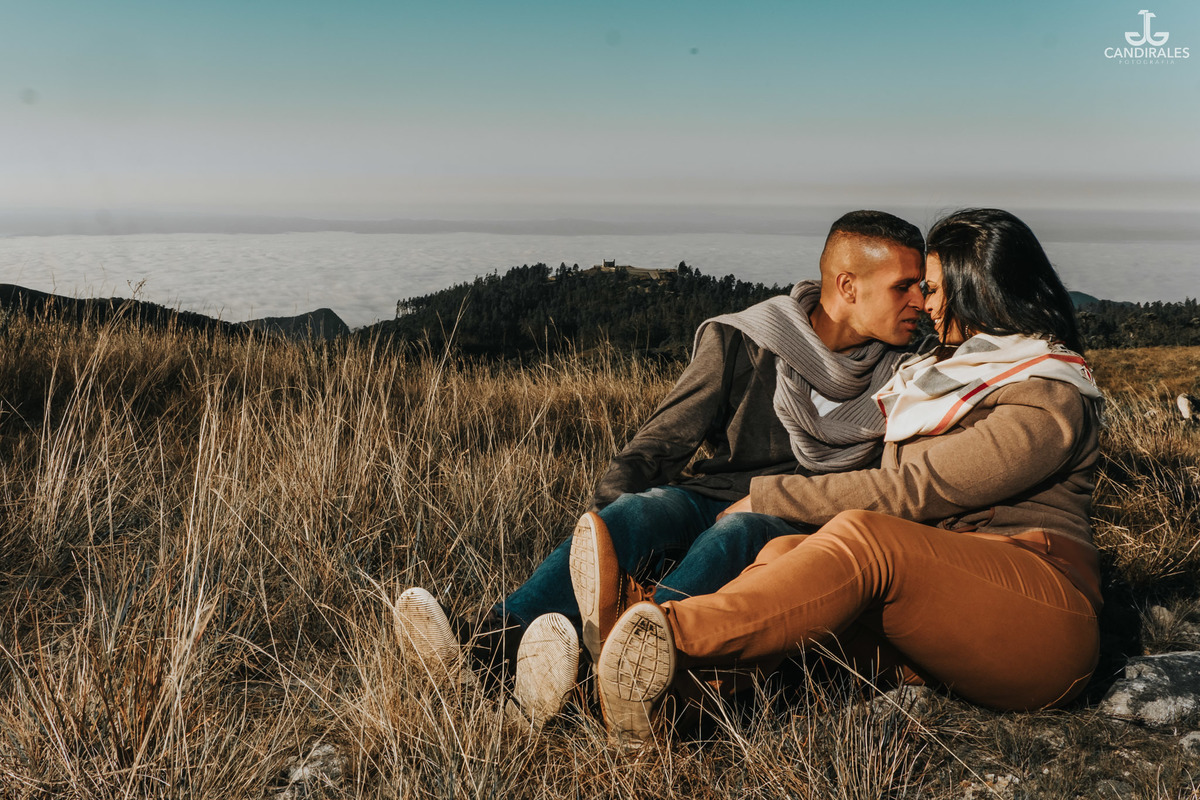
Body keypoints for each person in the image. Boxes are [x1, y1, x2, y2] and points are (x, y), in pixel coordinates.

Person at [586, 208, 1105, 744]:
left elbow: (915, 489)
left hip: (1041, 614)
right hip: (948, 608)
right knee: (783, 556)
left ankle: (660, 632)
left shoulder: (1047, 396)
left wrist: (767, 496)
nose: (925, 305)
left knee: (864, 539)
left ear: (977, 288)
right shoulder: (942, 377)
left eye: (932, 289)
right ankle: (658, 703)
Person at [393, 209, 926, 726]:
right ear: (847, 286)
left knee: (736, 534)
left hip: (797, 519)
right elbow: (660, 444)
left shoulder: (909, 374)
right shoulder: (747, 339)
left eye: (921, 287)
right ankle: (487, 647)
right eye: (903, 287)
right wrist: (599, 536)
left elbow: (897, 485)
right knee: (638, 512)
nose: (920, 302)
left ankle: (617, 675)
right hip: (710, 494)